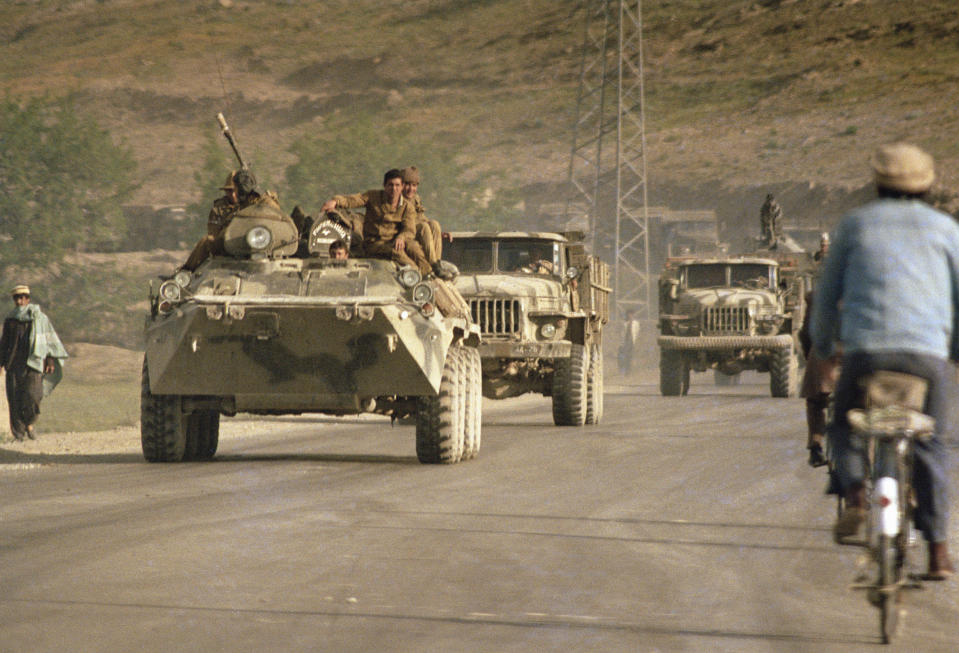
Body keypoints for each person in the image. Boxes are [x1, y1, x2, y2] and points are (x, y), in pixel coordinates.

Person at [811, 142, 956, 580]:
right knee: (936, 442)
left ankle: (855, 494)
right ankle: (938, 551)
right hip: (927, 355)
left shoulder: (854, 225)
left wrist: (821, 345)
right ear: (927, 185)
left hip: (864, 350)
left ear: (877, 183)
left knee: (844, 422)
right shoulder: (946, 229)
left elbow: (825, 296)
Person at [321, 169, 432, 277]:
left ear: (402, 186)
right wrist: (336, 201)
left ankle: (428, 274)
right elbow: (354, 200)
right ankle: (415, 274)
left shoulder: (407, 207)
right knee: (397, 252)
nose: (394, 189)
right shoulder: (373, 197)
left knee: (414, 247)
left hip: (394, 240)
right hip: (374, 243)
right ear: (385, 186)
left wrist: (402, 237)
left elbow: (409, 229)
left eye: (397, 185)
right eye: (390, 185)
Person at [0, 285, 68, 442]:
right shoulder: (11, 320)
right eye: (17, 298)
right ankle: (19, 434)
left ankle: (29, 423)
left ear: (28, 299)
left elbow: (49, 341)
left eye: (23, 297)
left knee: (33, 396)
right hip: (14, 365)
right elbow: (4, 344)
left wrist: (49, 360)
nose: (20, 301)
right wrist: (1, 363)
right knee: (15, 399)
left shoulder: (40, 318)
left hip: (34, 364)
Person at [181, 169, 278, 271]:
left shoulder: (260, 201)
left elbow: (275, 216)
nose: (233, 195)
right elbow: (215, 234)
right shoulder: (221, 208)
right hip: (233, 243)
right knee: (206, 242)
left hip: (260, 243)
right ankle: (185, 273)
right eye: (229, 191)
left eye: (235, 190)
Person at [400, 166, 448, 266]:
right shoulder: (397, 200)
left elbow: (421, 217)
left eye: (414, 185)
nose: (411, 189)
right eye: (407, 185)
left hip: (416, 229)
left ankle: (437, 263)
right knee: (424, 227)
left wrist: (439, 233)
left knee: (434, 224)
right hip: (405, 231)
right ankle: (433, 265)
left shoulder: (415, 198)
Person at [618, 309, 641, 375]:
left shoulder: (636, 323)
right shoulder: (624, 323)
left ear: (633, 315)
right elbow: (622, 333)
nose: (630, 316)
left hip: (632, 342)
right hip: (625, 341)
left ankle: (630, 370)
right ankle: (626, 370)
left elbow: (637, 333)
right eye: (628, 314)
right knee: (625, 356)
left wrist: (636, 341)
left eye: (631, 314)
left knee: (631, 356)